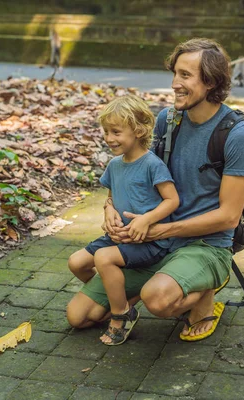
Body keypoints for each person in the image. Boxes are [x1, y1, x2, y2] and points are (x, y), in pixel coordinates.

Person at [66, 38, 244, 342]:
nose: (174, 84)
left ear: (210, 82)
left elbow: (229, 218)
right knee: (80, 317)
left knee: (157, 300)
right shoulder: (168, 120)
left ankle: (205, 291)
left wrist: (162, 230)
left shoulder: (237, 135)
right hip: (155, 242)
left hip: (205, 245)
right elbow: (136, 169)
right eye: (175, 74)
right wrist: (110, 207)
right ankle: (141, 294)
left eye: (185, 75)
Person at [68, 95, 179, 345]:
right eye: (106, 131)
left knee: (103, 258)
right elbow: (111, 197)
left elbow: (172, 200)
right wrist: (108, 212)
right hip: (118, 237)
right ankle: (115, 293)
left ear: (138, 130)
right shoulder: (115, 165)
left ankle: (121, 315)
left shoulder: (152, 165)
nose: (109, 138)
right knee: (76, 262)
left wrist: (146, 220)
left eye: (116, 132)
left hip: (148, 242)